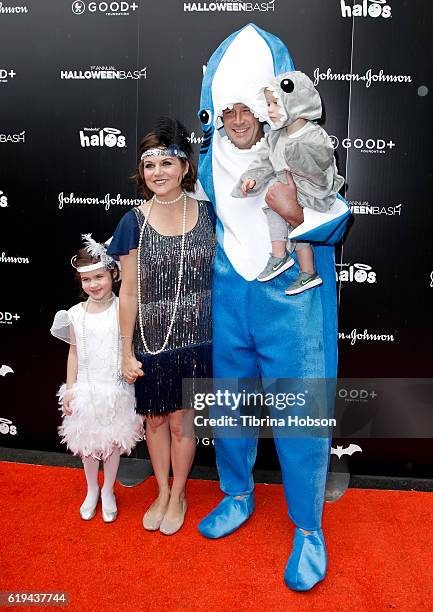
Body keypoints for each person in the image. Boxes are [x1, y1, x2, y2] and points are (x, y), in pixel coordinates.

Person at [196, 24, 350, 591]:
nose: (238, 118)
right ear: (216, 109)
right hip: (231, 296)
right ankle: (237, 494)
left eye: (247, 107)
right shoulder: (208, 160)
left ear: (268, 104)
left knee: (301, 419)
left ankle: (308, 528)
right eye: (227, 108)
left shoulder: (296, 145)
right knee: (230, 408)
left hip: (291, 301)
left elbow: (336, 214)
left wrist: (293, 214)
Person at [107, 117, 215, 536]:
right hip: (150, 341)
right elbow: (128, 291)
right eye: (149, 166)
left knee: (181, 422)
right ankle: (161, 491)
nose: (158, 174)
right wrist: (125, 349)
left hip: (198, 339)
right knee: (154, 422)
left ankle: (179, 492)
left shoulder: (209, 215)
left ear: (184, 167)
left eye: (166, 164)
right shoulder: (132, 221)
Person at [50, 235, 143, 523]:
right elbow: (74, 353)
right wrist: (70, 388)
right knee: (88, 445)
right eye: (87, 280)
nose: (94, 285)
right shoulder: (75, 315)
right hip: (87, 389)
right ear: (80, 282)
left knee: (113, 443)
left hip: (116, 388)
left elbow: (131, 345)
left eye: (99, 277)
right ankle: (92, 489)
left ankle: (108, 491)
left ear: (113, 274)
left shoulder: (123, 310)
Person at [233, 70, 344, 295]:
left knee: (291, 217)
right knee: (283, 217)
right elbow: (263, 161)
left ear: (296, 101)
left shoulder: (315, 135)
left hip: (313, 193)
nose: (270, 110)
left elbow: (321, 166)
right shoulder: (275, 136)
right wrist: (251, 178)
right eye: (268, 104)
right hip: (287, 191)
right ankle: (305, 271)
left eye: (275, 103)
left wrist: (294, 160)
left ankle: (280, 256)